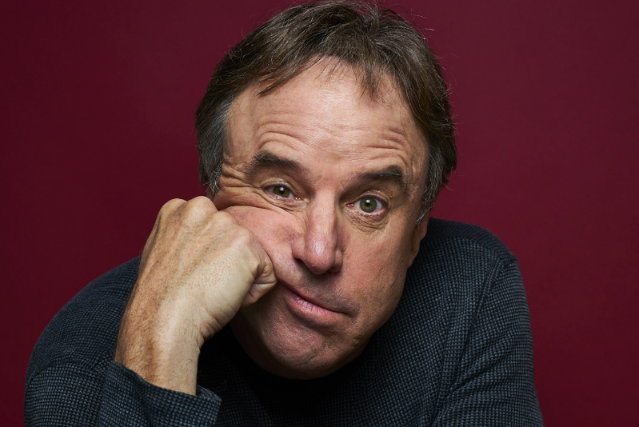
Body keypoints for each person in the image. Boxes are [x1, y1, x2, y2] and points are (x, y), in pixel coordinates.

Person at [25, 1, 543, 425]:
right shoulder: (81, 367)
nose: (318, 253)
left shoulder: (470, 290)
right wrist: (161, 350)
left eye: (369, 204)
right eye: (281, 190)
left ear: (415, 235)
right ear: (214, 194)